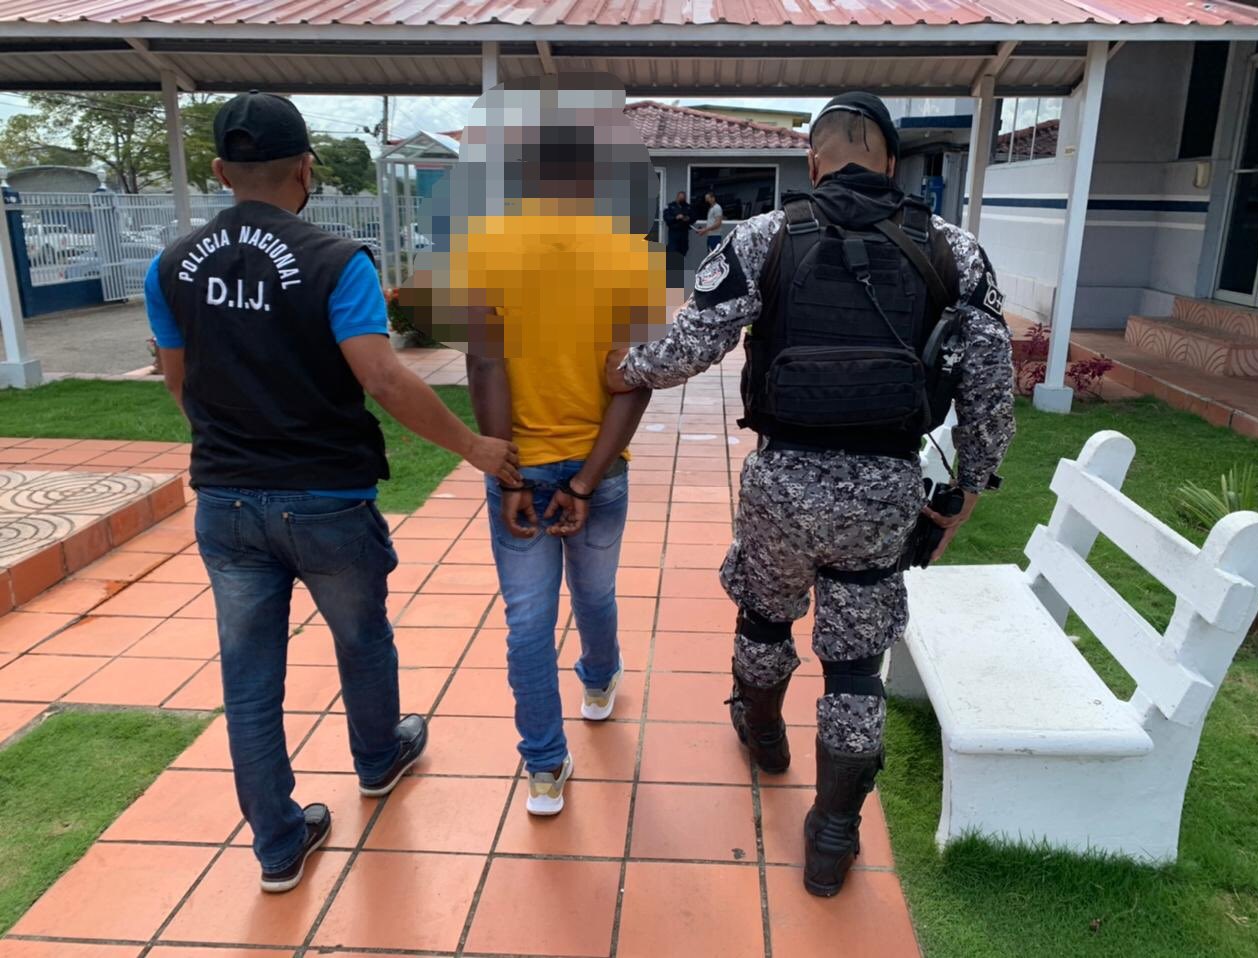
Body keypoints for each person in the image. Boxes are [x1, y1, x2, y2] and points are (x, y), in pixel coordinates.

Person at [607, 91, 1015, 897]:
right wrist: (972, 479)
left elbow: (693, 344)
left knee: (765, 613)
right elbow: (992, 385)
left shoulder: (763, 237)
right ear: (891, 163)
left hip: (783, 481)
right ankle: (833, 830)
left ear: (814, 160)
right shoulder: (956, 250)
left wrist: (626, 370)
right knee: (855, 661)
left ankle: (763, 733)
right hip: (884, 487)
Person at [143, 90, 520, 893]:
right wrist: (474, 447)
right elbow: (382, 376)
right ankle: (378, 758)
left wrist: (236, 444)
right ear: (306, 169)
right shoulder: (336, 260)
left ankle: (278, 846)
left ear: (219, 171)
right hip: (327, 498)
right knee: (361, 639)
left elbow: (180, 383)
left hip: (227, 501)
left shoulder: (168, 266)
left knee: (249, 679)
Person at [428, 76, 661, 816]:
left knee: (527, 620)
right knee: (594, 591)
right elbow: (635, 380)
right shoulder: (633, 255)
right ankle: (598, 681)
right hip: (601, 466)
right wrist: (586, 481)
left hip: (518, 465)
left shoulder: (479, 250)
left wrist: (507, 476)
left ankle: (543, 768)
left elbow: (483, 365)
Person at [663, 190, 694, 283]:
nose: (682, 199)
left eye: (683, 198)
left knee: (682, 253)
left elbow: (694, 217)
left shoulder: (688, 207)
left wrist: (688, 218)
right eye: (680, 198)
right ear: (677, 197)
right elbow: (666, 218)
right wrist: (676, 218)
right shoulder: (670, 206)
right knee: (672, 253)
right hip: (674, 234)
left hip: (684, 234)